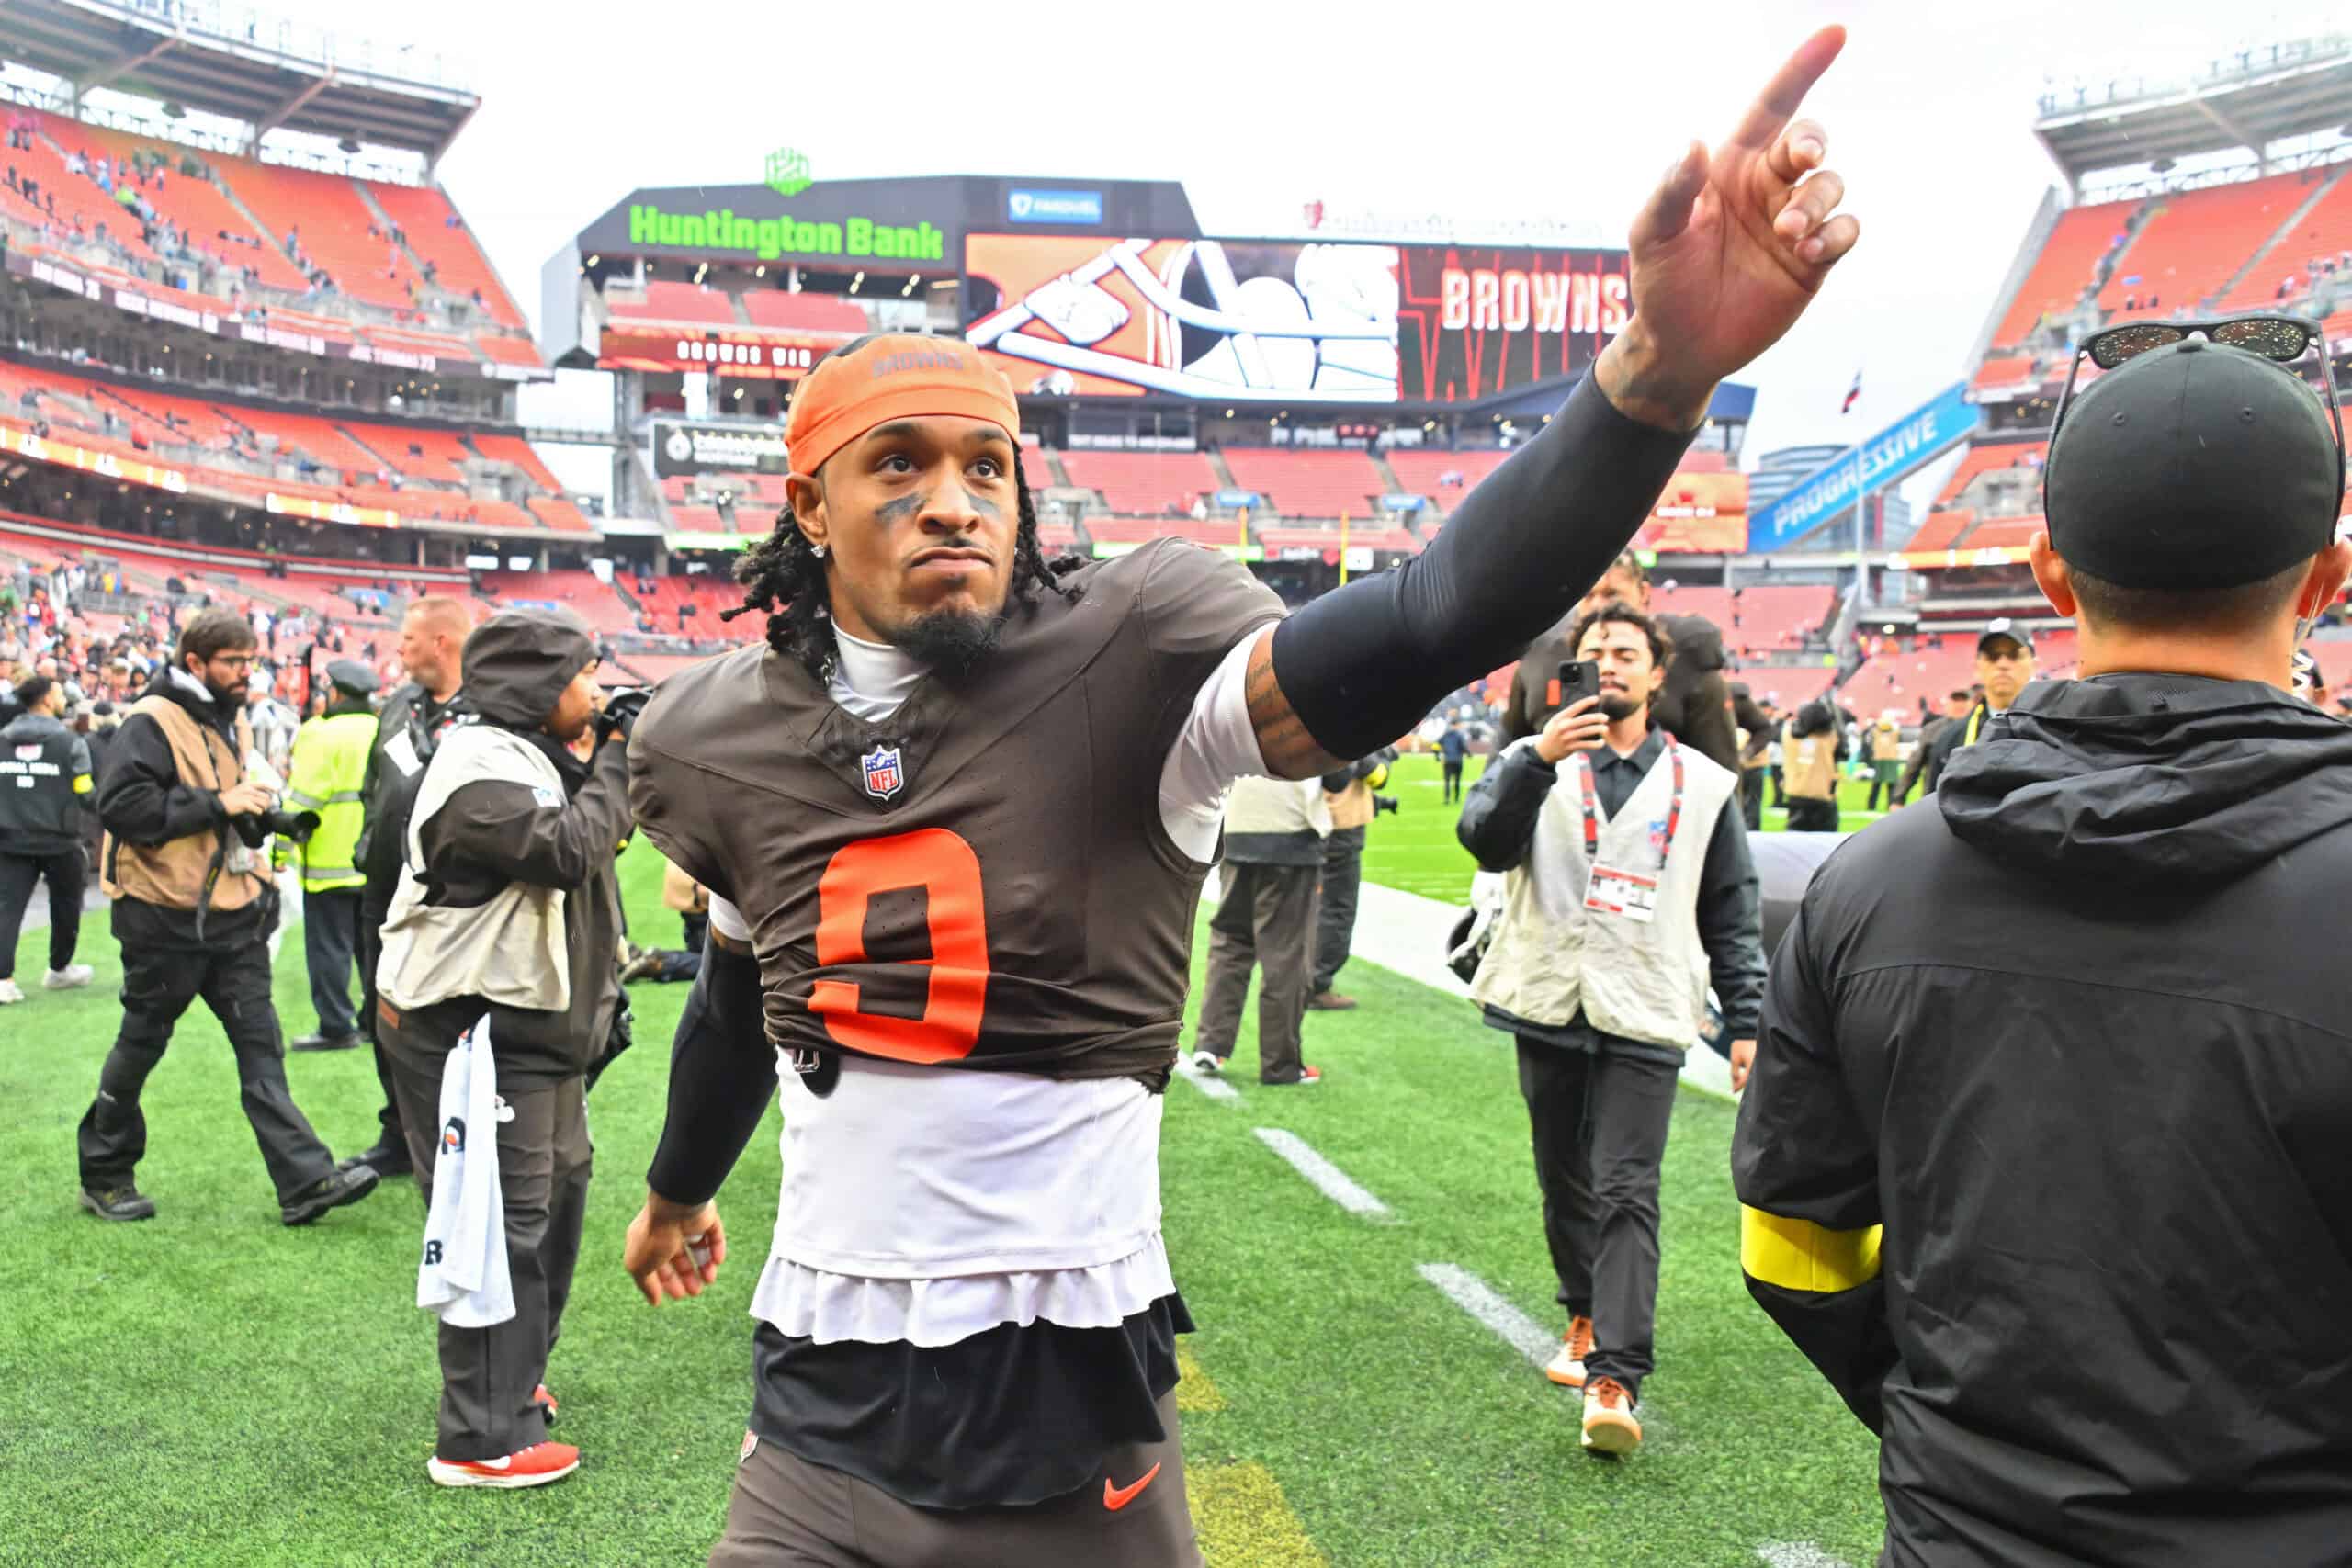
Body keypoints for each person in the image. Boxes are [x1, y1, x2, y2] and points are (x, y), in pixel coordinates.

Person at [619, 29, 1856, 1564]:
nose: (949, 497)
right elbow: (743, 990)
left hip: (1067, 1406)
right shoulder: (722, 731)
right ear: (807, 502)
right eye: (895, 464)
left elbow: (1428, 616)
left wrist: (1656, 375)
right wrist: (677, 1187)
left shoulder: (1131, 663)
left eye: (984, 466)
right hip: (815, 1407)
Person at [1736, 320, 2352, 1565]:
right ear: (2328, 579)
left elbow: (1792, 1233)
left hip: (1966, 1525)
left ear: (2048, 571)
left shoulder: (1869, 880)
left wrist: (1967, 1426)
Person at [1457, 601, 1763, 1455]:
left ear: (1658, 675)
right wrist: (1536, 759)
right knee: (1565, 1176)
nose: (1611, 665)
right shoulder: (1533, 759)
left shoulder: (1704, 784)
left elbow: (1731, 909)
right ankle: (1584, 1311)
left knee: (1629, 1184)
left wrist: (1746, 1018)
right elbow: (1482, 841)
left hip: (1647, 1001)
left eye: (1627, 653)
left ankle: (1617, 1377)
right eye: (1595, 653)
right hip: (1550, 993)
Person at [374, 609, 633, 1490]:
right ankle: (480, 1436)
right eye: (581, 675)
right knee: (499, 1224)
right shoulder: (475, 765)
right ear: (534, 683)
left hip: (528, 1036)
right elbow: (565, 849)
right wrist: (619, 758)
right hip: (469, 1031)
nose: (595, 693)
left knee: (553, 1211)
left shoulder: (525, 751)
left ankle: (514, 1383)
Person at [74, 610, 380, 1226]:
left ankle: (304, 1179)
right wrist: (220, 802)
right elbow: (124, 807)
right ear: (196, 663)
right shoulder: (150, 719)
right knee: (141, 1044)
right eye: (234, 663)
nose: (248, 674)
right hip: (163, 918)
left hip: (232, 915)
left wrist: (254, 809)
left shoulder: (225, 715)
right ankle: (104, 1173)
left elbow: (219, 800)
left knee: (260, 1047)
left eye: (250, 661)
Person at [345, 596, 474, 1180]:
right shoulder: (398, 705)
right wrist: (370, 840)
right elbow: (378, 783)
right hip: (384, 884)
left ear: (441, 642)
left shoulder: (490, 710)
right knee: (383, 1010)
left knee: (452, 1015)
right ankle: (397, 1131)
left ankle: (457, 1132)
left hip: (453, 890)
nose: (398, 649)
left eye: (409, 640)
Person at [1502, 549, 1741, 771]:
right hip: (1558, 808)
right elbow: (1504, 757)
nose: (1598, 606)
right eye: (1588, 595)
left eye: (1612, 594)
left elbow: (1719, 773)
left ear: (1644, 593)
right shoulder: (1541, 656)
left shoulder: (1687, 655)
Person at [1193, 774, 1332, 1081]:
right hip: (1291, 836)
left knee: (1230, 942)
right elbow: (1339, 775)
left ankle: (1211, 1044)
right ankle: (1281, 1064)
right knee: (1285, 955)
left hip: (1236, 829)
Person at [283, 660, 379, 1053]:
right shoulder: (383, 729)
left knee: (329, 950)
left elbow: (304, 800)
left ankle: (336, 1027)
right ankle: (375, 1023)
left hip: (327, 864)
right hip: (374, 862)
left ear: (335, 693)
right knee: (372, 951)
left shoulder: (319, 733)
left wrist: (278, 851)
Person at [0, 673, 96, 1004]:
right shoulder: (71, 743)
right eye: (57, 693)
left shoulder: (2, 739)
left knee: (7, 909)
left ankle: (3, 980)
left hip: (10, 840)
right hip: (60, 840)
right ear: (44, 700)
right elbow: (85, 792)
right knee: (67, 906)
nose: (61, 698)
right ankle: (59, 969)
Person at [1898, 623, 2035, 800]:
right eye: (1992, 656)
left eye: (2014, 655)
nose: (2002, 664)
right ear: (1977, 667)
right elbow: (1936, 812)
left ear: (2034, 664)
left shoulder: (2057, 734)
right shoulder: (1950, 740)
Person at [1309, 747, 1394, 1011]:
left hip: (1316, 826)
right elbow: (1378, 776)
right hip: (1341, 828)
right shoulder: (1345, 731)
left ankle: (1307, 979)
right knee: (1338, 910)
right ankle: (1317, 985)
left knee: (1317, 908)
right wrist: (1380, 752)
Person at [621, 856, 709, 985]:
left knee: (701, 955)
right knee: (727, 965)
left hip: (687, 882)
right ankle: (660, 964)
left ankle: (639, 956)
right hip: (702, 891)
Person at [1890, 688, 1970, 804]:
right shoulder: (1932, 730)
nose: (1959, 705)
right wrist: (1899, 798)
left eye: (1963, 700)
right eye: (1956, 701)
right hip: (1935, 797)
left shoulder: (1982, 728)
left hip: (1969, 799)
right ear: (1948, 704)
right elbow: (1914, 765)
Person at [1778, 695, 1844, 831]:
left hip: (1796, 794)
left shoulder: (1787, 734)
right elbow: (1841, 743)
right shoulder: (1830, 738)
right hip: (1823, 795)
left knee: (1794, 839)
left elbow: (1793, 725)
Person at [1860, 713, 1902, 810]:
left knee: (1886, 786)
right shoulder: (1878, 732)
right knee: (1880, 786)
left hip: (1887, 761)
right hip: (1884, 761)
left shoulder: (1885, 732)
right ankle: (1874, 806)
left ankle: (1879, 806)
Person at [1439, 718, 1470, 803]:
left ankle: (1447, 799)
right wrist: (1469, 754)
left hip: (1447, 760)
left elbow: (1436, 744)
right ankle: (1456, 798)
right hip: (1457, 761)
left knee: (1447, 781)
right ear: (1457, 725)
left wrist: (1437, 755)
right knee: (1457, 780)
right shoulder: (1459, 735)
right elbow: (1463, 746)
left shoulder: (1445, 735)